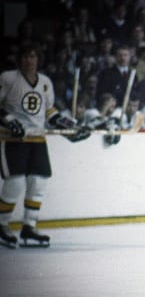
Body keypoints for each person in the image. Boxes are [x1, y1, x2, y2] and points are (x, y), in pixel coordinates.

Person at [0, 44, 91, 248]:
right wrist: (9, 121)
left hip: (37, 140)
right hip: (13, 141)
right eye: (25, 56)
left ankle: (29, 227)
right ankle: (2, 224)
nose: (28, 60)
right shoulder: (7, 78)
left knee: (38, 183)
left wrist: (72, 126)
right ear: (19, 59)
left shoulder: (45, 82)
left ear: (38, 59)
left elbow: (49, 112)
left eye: (32, 56)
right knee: (15, 184)